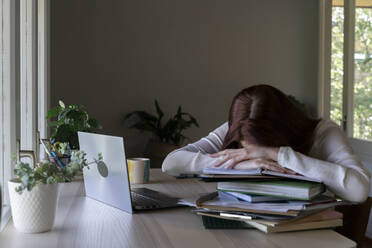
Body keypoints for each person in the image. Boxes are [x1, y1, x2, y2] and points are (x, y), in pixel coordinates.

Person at [162, 84, 371, 203]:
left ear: (284, 130)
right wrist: (236, 163)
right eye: (246, 149)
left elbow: (359, 190)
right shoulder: (237, 127)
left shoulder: (323, 133)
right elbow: (171, 163)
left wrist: (280, 155)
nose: (256, 157)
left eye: (260, 149)